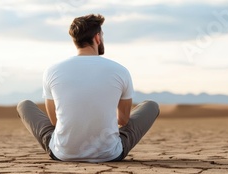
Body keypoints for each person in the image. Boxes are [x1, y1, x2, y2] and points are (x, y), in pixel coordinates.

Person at [17, 14, 159, 162]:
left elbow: (54, 122)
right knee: (151, 106)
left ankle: (64, 145)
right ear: (97, 38)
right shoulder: (120, 70)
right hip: (110, 154)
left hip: (62, 153)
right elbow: (123, 121)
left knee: (24, 105)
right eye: (102, 36)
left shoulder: (52, 70)